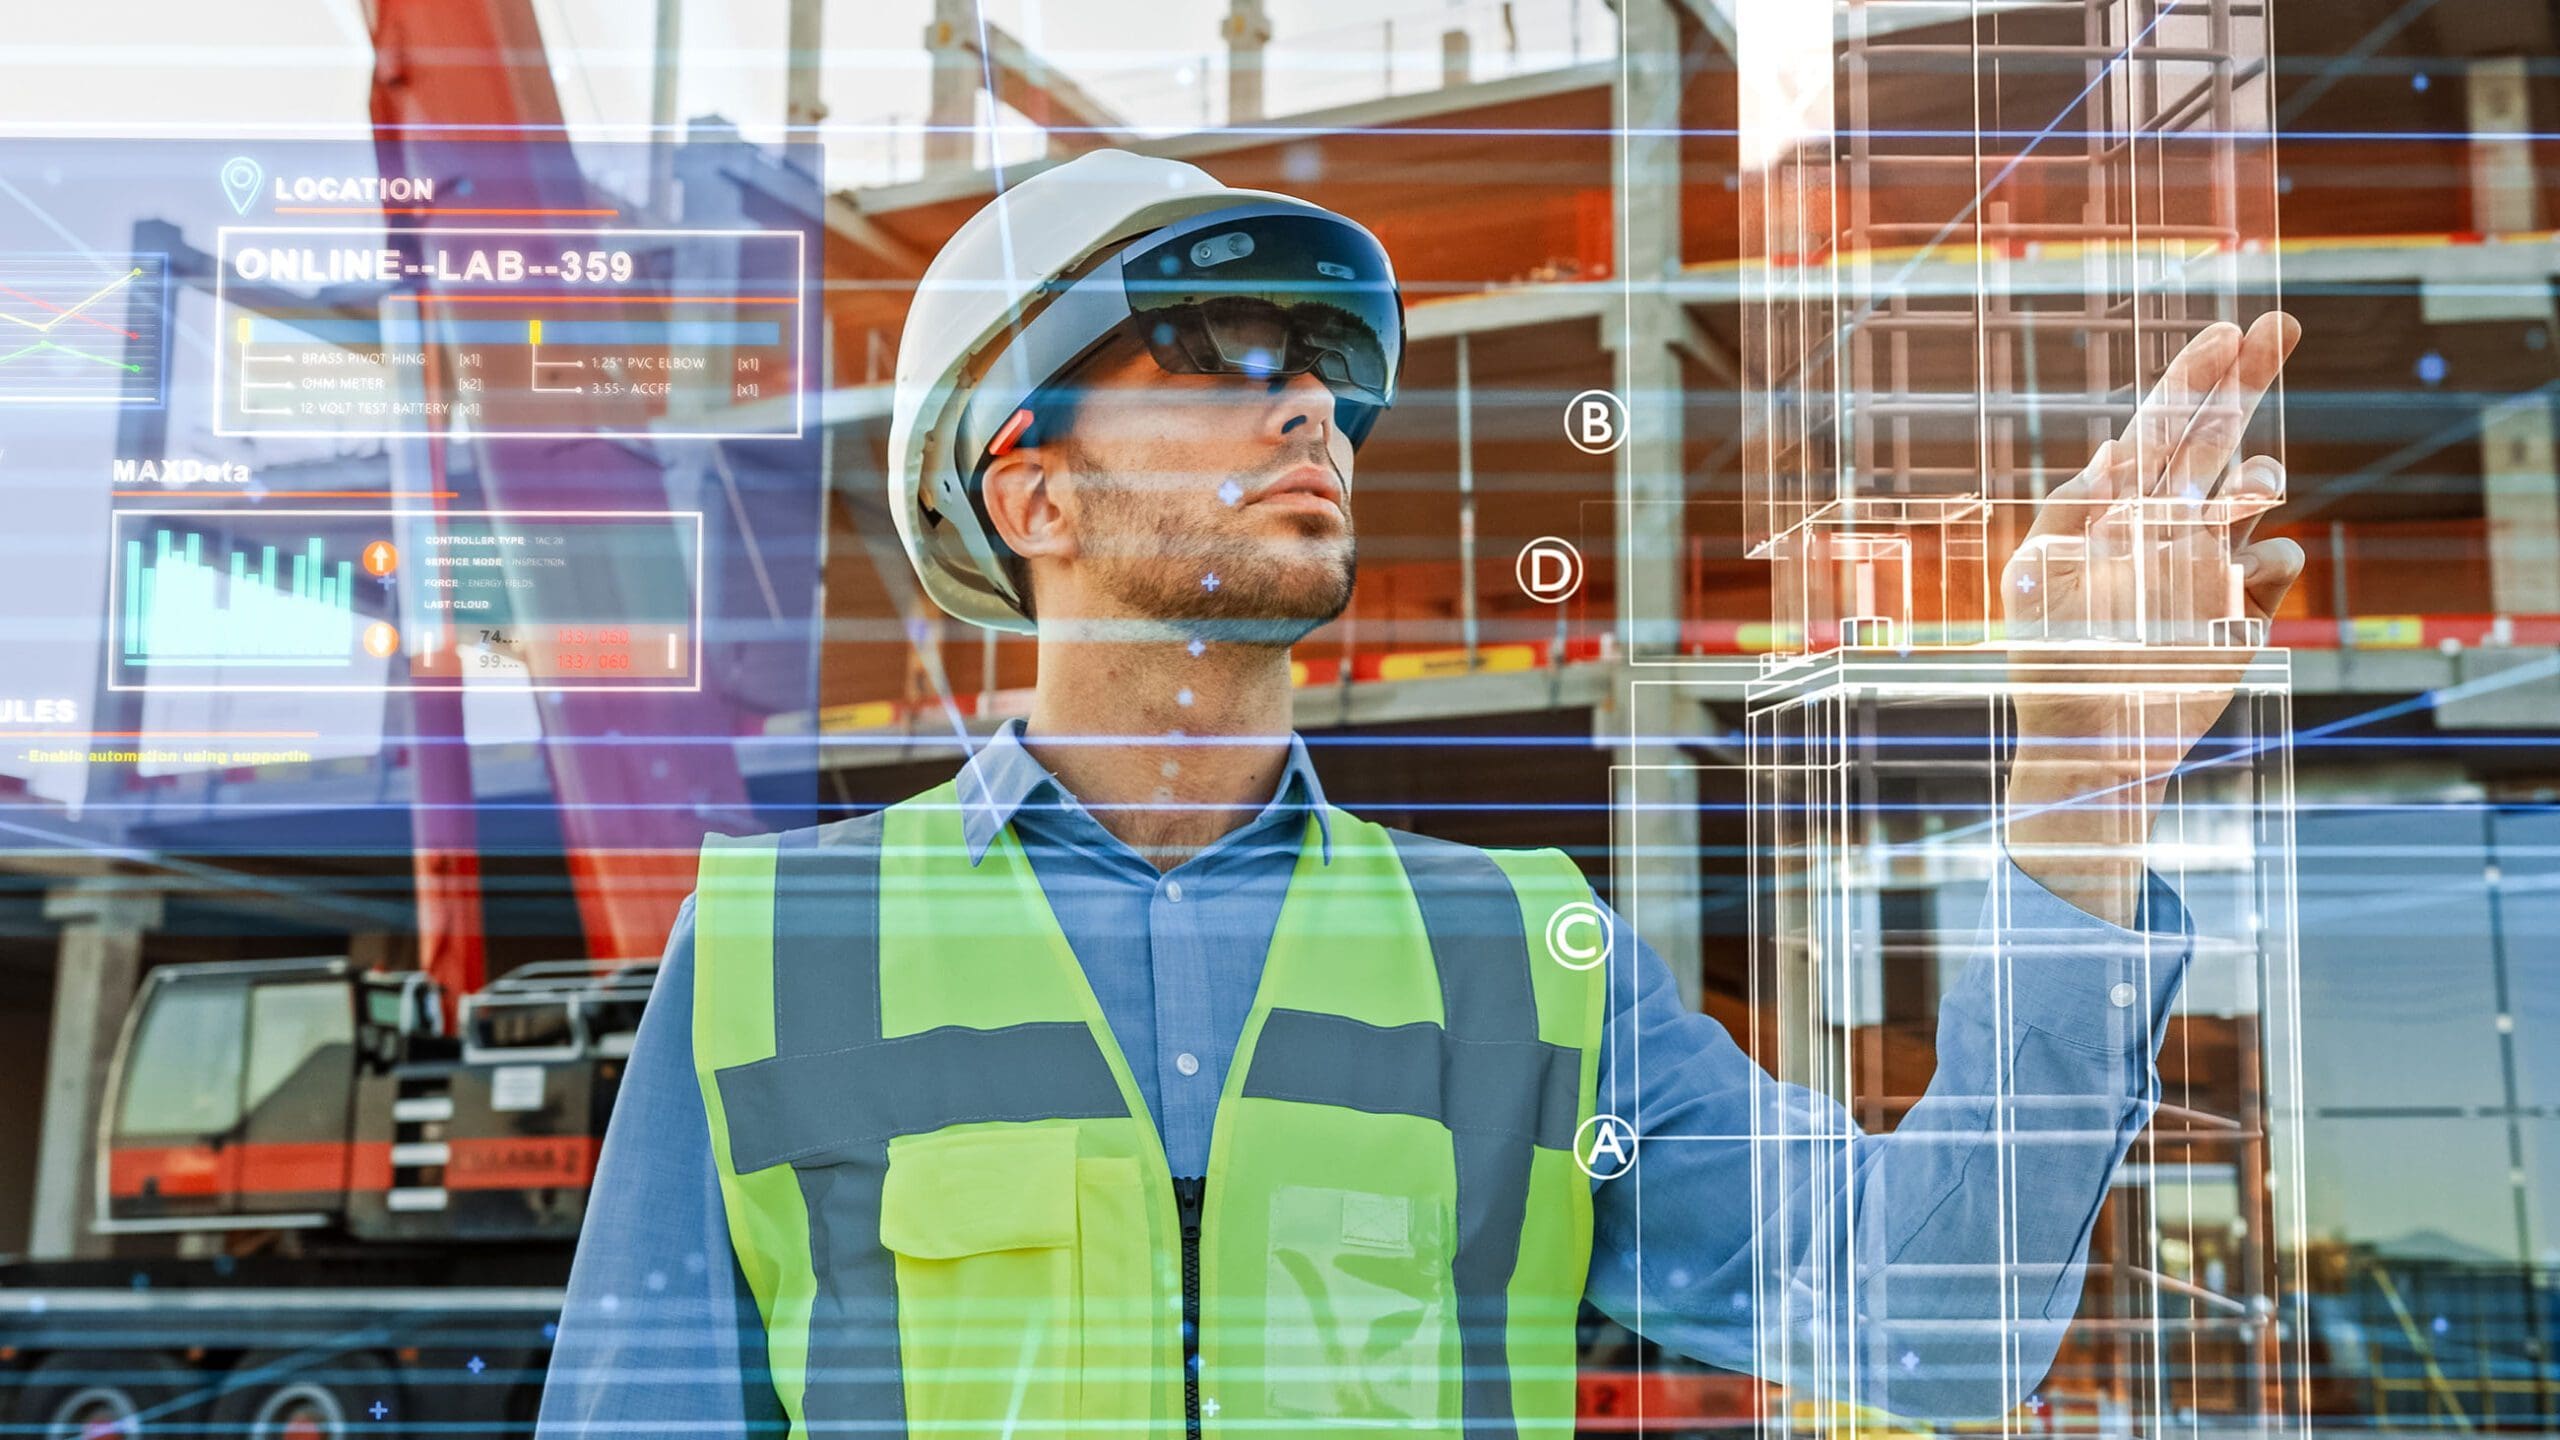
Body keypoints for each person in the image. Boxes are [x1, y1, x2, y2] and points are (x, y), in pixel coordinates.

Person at [534, 148, 2304, 1438]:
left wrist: (2081, 776)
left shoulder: (1521, 956)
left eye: (1323, 366)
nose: (1306, 396)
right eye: (1216, 343)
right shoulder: (779, 945)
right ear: (1032, 493)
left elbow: (1937, 1325)